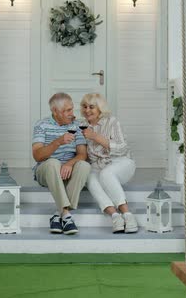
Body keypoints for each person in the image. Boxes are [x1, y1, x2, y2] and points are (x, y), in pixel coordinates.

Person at [32, 92, 91, 235]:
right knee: (52, 162)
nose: (72, 113)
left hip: (68, 171)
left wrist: (69, 164)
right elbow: (37, 156)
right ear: (55, 111)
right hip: (46, 171)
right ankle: (66, 213)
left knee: (84, 165)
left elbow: (82, 154)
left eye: (72, 109)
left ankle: (58, 216)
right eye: (67, 110)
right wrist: (58, 141)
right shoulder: (41, 125)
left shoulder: (77, 126)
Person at [79, 93, 138, 233]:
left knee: (106, 173)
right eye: (84, 106)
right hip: (97, 165)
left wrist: (95, 136)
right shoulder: (81, 126)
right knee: (90, 178)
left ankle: (128, 215)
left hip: (120, 162)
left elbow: (122, 148)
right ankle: (115, 216)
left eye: (91, 107)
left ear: (100, 108)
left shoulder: (112, 122)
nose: (87, 110)